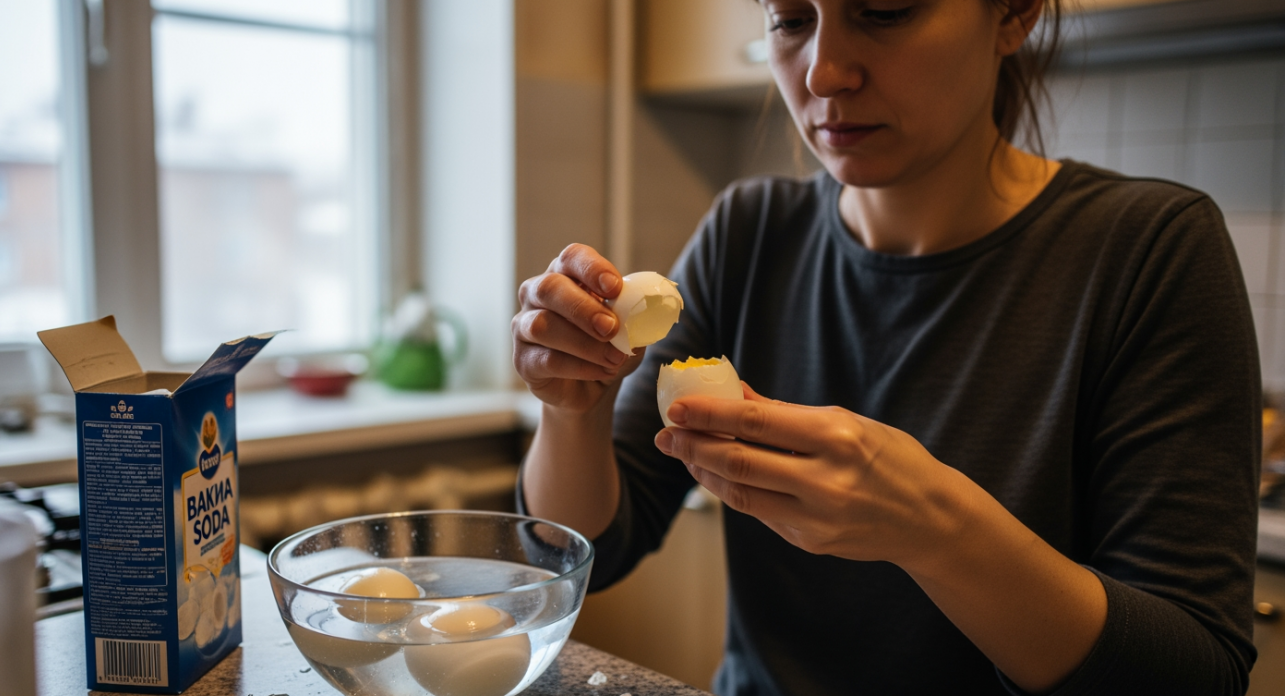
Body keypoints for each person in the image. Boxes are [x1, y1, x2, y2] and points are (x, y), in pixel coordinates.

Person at [511, 0, 1260, 694]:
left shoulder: (1150, 250)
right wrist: (571, 409)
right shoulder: (749, 230)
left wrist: (932, 527)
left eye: (886, 10)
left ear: (1013, 13)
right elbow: (586, 552)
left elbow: (1189, 672)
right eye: (791, 19)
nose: (824, 72)